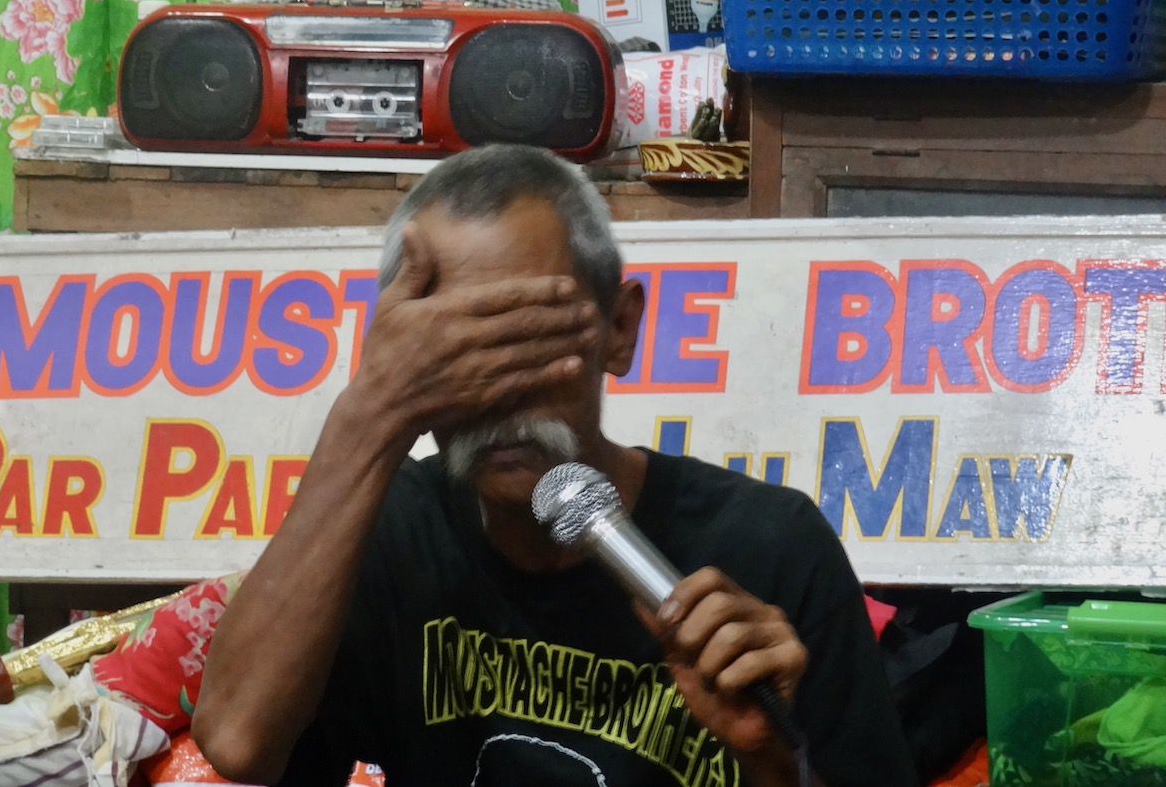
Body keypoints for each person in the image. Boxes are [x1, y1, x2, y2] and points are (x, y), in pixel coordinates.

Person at [192, 144, 920, 787]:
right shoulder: (389, 535)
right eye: (459, 358)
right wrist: (370, 415)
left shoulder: (770, 548)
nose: (502, 400)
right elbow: (237, 742)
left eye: (530, 346)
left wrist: (767, 759)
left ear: (619, 329)